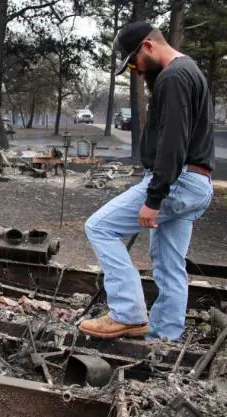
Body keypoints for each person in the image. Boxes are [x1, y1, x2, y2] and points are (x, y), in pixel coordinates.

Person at [79, 21, 215, 342]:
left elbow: (173, 143)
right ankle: (163, 342)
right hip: (196, 184)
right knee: (169, 266)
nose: (136, 72)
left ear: (149, 47)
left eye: (134, 62)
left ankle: (127, 313)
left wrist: (154, 199)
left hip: (177, 181)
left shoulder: (174, 77)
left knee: (99, 227)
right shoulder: (189, 71)